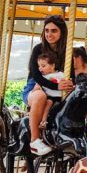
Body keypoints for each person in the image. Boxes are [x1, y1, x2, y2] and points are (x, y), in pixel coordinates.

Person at [25, 16, 73, 155]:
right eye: (46, 30)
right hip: (37, 86)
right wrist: (55, 87)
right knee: (40, 96)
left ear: (61, 32)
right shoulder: (38, 49)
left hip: (58, 89)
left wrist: (70, 84)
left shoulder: (67, 52)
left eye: (53, 31)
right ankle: (34, 140)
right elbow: (35, 74)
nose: (49, 34)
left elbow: (72, 75)